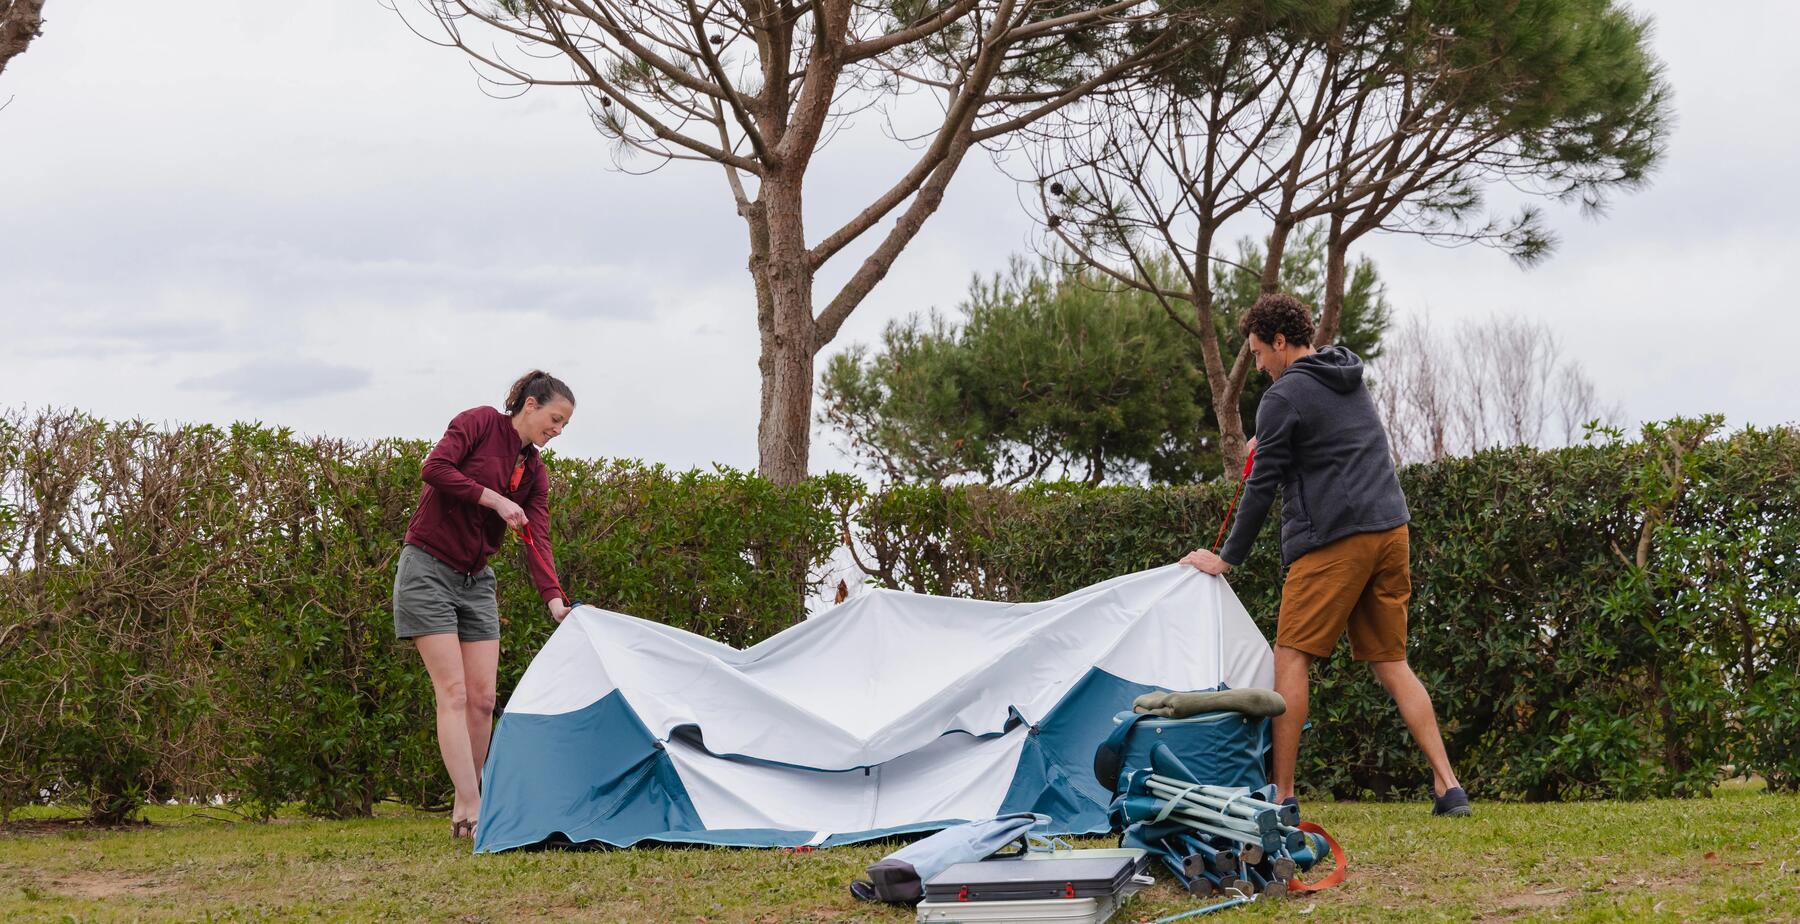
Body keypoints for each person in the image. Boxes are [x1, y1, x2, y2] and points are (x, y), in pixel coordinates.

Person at [1178, 294, 1471, 817]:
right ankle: (1448, 787)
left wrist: (1228, 558)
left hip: (1336, 540)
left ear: (1280, 342)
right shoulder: (1346, 373)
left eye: (1259, 353)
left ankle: (1283, 796)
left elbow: (1262, 487)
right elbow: (1324, 444)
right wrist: (1268, 443)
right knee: (1392, 661)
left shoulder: (1282, 396)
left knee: (1291, 656)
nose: (1261, 365)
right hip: (1390, 530)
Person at [393, 370, 576, 839]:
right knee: (452, 693)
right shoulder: (477, 423)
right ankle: (474, 807)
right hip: (428, 569)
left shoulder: (535, 472)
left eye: (564, 426)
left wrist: (555, 600)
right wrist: (494, 499)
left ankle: (465, 801)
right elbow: (433, 468)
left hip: (477, 581)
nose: (556, 431)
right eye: (554, 419)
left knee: (483, 699)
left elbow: (538, 537)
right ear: (530, 405)